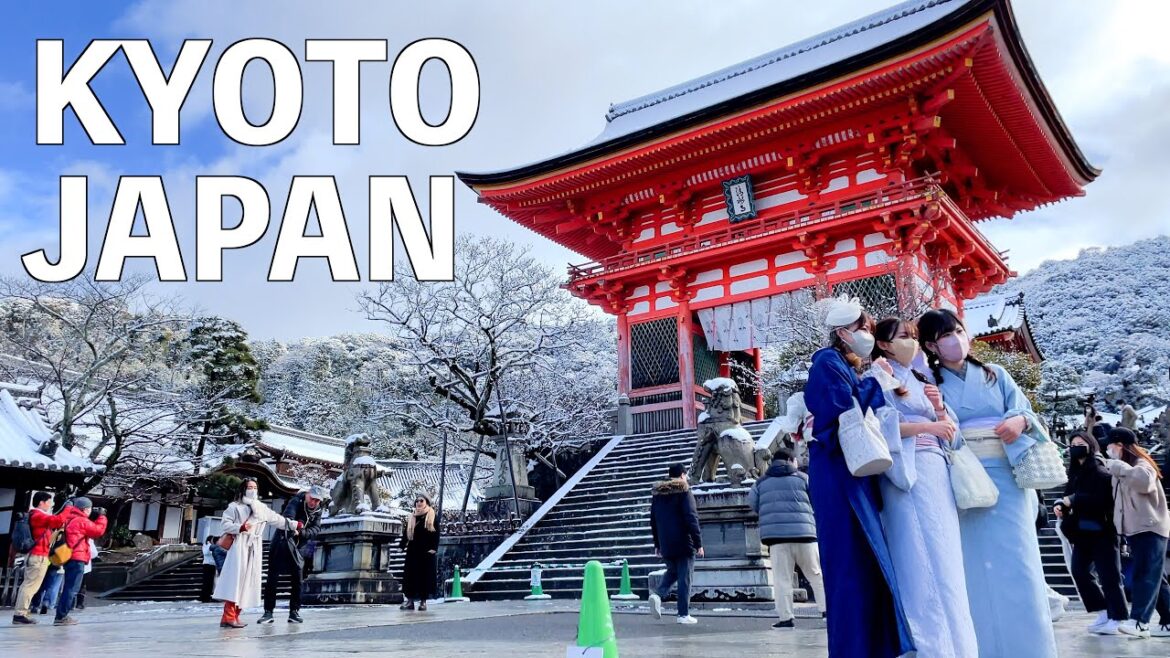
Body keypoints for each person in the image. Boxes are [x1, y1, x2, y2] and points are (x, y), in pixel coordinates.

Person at [917, 308, 1057, 657]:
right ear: (932, 346)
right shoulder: (930, 383)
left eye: (958, 331)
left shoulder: (997, 374)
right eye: (945, 336)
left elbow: (1026, 411)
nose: (955, 340)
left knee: (1021, 565)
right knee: (973, 570)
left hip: (1008, 476)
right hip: (965, 480)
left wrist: (1020, 421)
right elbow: (939, 430)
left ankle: (1032, 649)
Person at [803, 296, 913, 658]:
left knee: (863, 561)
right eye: (861, 328)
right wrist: (875, 380)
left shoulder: (840, 364)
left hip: (851, 469)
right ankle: (854, 648)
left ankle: (872, 646)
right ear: (842, 333)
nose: (866, 334)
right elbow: (840, 411)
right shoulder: (826, 361)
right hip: (839, 472)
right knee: (850, 563)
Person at [867, 317, 979, 657]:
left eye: (914, 336)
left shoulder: (921, 377)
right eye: (903, 336)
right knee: (916, 559)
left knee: (948, 562)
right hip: (907, 472)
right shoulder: (877, 376)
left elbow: (953, 434)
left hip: (937, 471)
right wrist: (926, 427)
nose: (911, 342)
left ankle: (960, 646)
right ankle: (930, 646)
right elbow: (876, 424)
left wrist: (939, 409)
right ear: (883, 344)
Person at [1054, 430, 1127, 634]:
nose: (1076, 448)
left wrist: (1073, 500)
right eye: (1073, 444)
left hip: (1103, 530)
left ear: (1091, 445)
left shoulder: (1098, 467)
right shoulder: (1075, 471)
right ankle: (1102, 611)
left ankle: (1118, 617)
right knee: (1079, 571)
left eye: (1080, 444)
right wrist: (1061, 504)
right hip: (1082, 531)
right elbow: (1068, 494)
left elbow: (1102, 497)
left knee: (1109, 575)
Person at [747, 448, 826, 628]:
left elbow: (753, 504)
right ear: (790, 460)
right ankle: (827, 611)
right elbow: (817, 499)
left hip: (777, 538)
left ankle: (786, 618)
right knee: (816, 574)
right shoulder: (803, 478)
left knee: (782, 579)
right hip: (805, 535)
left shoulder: (761, 482)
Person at [1104, 427, 1170, 638]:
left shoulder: (1142, 463)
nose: (1107, 449)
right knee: (1156, 576)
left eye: (1110, 445)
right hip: (1135, 529)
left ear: (1120, 445)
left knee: (1145, 574)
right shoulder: (1122, 469)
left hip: (1150, 527)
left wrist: (1119, 467)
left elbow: (1144, 482)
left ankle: (1140, 622)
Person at [212, 478, 300, 628]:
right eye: (249, 487)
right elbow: (225, 524)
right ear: (243, 489)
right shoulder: (235, 507)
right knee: (236, 580)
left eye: (255, 487)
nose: (252, 490)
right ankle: (229, 616)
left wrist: (293, 525)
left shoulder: (261, 508)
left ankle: (234, 616)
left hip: (254, 546)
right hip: (240, 544)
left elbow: (277, 520)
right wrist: (240, 527)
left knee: (247, 582)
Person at [648, 463, 704, 625]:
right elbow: (691, 518)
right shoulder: (684, 491)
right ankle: (683, 614)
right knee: (685, 578)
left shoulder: (658, 495)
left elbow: (653, 520)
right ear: (682, 475)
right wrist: (698, 543)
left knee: (673, 571)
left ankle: (657, 595)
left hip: (666, 542)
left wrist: (657, 544)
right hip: (684, 541)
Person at [259, 485, 324, 623]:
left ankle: (294, 611)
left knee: (298, 580)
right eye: (312, 498)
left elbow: (316, 529)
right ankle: (268, 612)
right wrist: (296, 525)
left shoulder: (318, 510)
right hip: (282, 541)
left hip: (300, 546)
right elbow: (288, 516)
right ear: (307, 494)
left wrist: (301, 532)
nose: (313, 502)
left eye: (317, 500)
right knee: (272, 577)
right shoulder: (296, 501)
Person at [11, 492, 66, 625]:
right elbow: (58, 520)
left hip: (35, 555)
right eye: (49, 501)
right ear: (41, 502)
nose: (50, 504)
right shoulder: (38, 515)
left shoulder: (34, 515)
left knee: (28, 585)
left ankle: (21, 613)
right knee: (30, 586)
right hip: (38, 555)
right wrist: (68, 508)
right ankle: (20, 614)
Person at [53, 497, 108, 626]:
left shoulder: (69, 518)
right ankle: (61, 616)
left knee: (68, 587)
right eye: (89, 509)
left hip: (68, 557)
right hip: (77, 558)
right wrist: (102, 517)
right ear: (85, 509)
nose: (90, 511)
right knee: (72, 588)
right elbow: (98, 530)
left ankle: (61, 615)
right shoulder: (81, 520)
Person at [399, 494, 440, 611]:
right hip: (413, 551)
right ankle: (410, 601)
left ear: (426, 502)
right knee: (410, 577)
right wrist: (402, 545)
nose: (419, 503)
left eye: (421, 500)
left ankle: (423, 602)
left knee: (424, 577)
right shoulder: (412, 516)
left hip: (426, 551)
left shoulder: (431, 515)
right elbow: (406, 532)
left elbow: (436, 533)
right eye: (417, 501)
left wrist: (433, 548)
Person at [200, 536, 219, 603]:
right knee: (207, 582)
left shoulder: (209, 546)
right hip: (208, 565)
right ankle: (205, 597)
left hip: (211, 565)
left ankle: (207, 596)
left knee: (210, 582)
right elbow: (206, 553)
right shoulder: (207, 546)